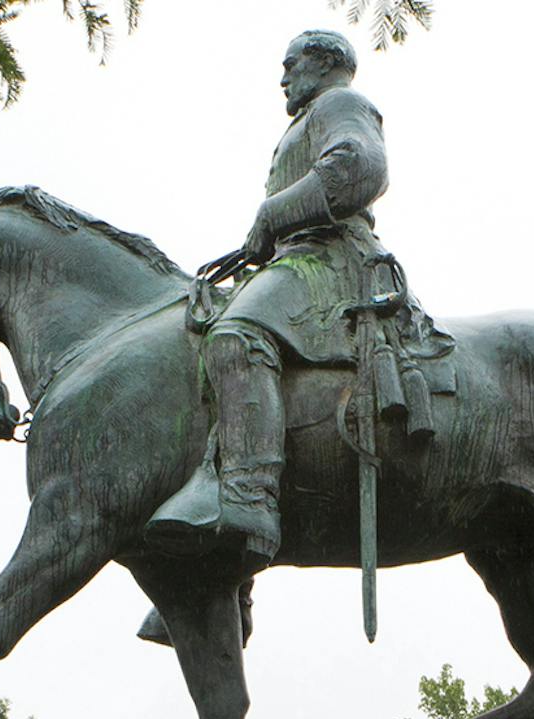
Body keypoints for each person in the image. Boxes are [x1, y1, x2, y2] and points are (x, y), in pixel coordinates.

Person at [145, 28, 435, 566]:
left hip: (333, 257)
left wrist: (272, 214)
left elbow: (358, 167)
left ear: (325, 63)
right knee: (203, 335)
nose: (283, 78)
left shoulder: (343, 102)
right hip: (296, 257)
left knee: (235, 336)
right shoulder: (307, 119)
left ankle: (251, 498)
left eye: (291, 64)